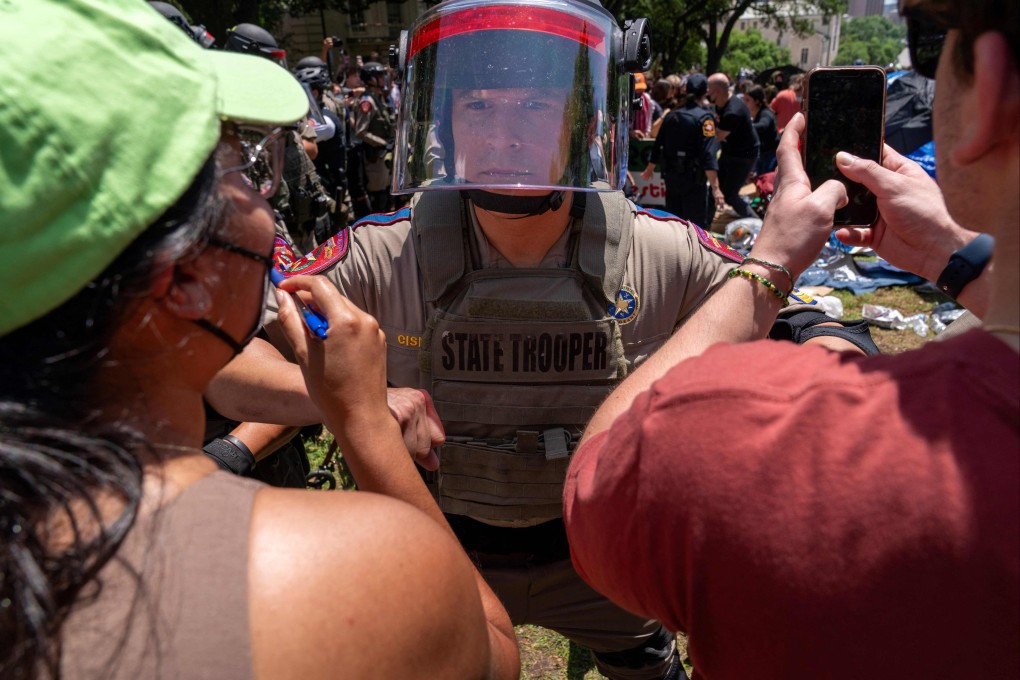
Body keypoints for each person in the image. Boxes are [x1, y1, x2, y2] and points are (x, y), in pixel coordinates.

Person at [269, 1, 876, 677]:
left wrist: (837, 372)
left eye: (533, 105)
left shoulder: (655, 249)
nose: (504, 134)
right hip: (437, 549)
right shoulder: (385, 254)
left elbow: (808, 323)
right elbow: (241, 348)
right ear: (444, 126)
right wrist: (357, 403)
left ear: (584, 124)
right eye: (479, 107)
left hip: (601, 559)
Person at [0, 2, 521, 679]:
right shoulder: (350, 573)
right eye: (241, 174)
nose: (264, 205)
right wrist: (362, 421)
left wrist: (328, 394)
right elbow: (493, 651)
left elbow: (202, 364)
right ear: (183, 275)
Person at [564, 0, 1019, 676]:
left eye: (931, 46)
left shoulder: (764, 437)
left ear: (990, 86)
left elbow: (595, 480)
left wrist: (770, 264)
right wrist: (957, 256)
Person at [641, 73, 724, 228]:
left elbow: (659, 143)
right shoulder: (705, 119)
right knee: (696, 228)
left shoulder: (672, 115)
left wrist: (650, 168)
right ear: (705, 92)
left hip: (672, 178)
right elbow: (709, 154)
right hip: (693, 181)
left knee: (674, 223)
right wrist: (716, 188)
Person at [707, 72, 759, 218]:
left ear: (717, 92)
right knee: (713, 190)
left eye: (708, 90)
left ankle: (757, 224)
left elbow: (716, 137)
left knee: (730, 195)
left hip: (743, 156)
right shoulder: (722, 103)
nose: (706, 93)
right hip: (731, 152)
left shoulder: (732, 111)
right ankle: (704, 228)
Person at [352, 61, 396, 217]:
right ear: (370, 79)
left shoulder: (379, 98)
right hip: (375, 157)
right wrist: (383, 143)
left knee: (386, 195)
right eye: (379, 76)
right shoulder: (367, 101)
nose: (383, 79)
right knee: (379, 199)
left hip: (384, 155)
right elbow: (360, 131)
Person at [746, 84, 778, 176]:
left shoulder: (765, 113)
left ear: (756, 101)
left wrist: (745, 127)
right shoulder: (753, 113)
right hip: (763, 153)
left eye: (747, 100)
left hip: (770, 154)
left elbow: (763, 126)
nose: (744, 102)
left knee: (766, 183)